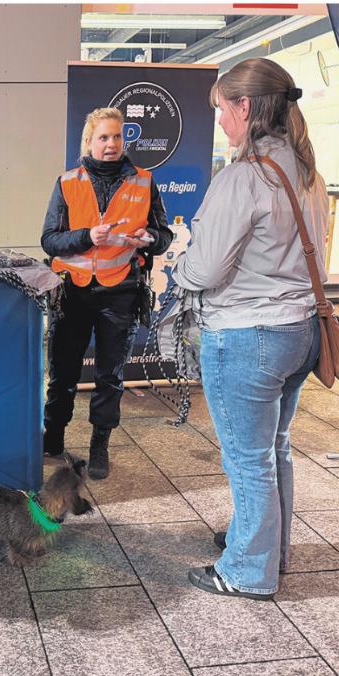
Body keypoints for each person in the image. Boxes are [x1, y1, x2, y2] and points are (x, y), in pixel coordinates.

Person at [172, 58, 328, 600]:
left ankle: (247, 570)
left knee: (247, 458)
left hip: (247, 336)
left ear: (245, 107)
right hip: (300, 331)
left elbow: (207, 268)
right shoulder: (307, 174)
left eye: (222, 110)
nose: (219, 122)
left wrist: (176, 266)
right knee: (274, 448)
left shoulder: (243, 177)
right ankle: (268, 545)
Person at [41, 107, 171, 479]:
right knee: (62, 373)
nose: (112, 144)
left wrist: (149, 239)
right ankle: (53, 439)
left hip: (121, 292)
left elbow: (164, 236)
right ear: (89, 142)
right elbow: (49, 240)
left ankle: (100, 445)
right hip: (73, 293)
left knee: (110, 375)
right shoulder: (67, 182)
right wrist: (86, 237)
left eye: (117, 137)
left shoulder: (144, 182)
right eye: (104, 137)